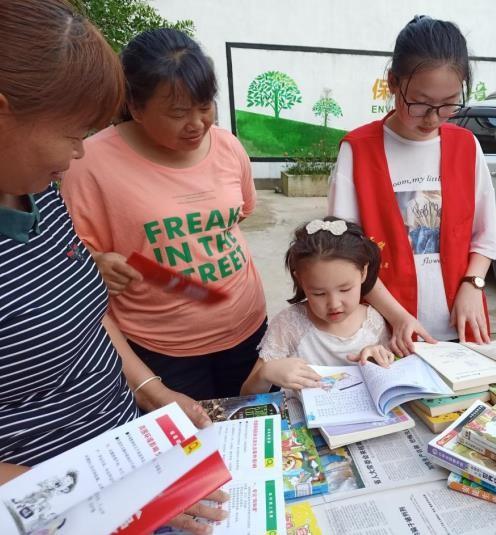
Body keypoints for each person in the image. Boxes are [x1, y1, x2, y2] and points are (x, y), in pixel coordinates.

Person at [0, 2, 224, 532]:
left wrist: (152, 391)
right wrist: (101, 500)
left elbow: (89, 319)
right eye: (73, 132)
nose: (80, 153)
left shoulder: (39, 195)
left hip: (130, 458)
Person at [62, 28, 267, 401]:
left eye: (205, 106)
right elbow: (66, 258)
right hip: (163, 350)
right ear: (136, 107)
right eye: (177, 112)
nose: (197, 124)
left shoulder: (227, 147)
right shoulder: (88, 164)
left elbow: (237, 216)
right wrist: (95, 262)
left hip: (247, 327)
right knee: (191, 450)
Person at [328, 15, 496, 355]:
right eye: (420, 103)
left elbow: (484, 236)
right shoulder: (358, 150)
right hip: (384, 332)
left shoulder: (465, 147)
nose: (433, 118)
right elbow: (346, 257)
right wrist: (399, 317)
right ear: (394, 82)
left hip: (461, 326)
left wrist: (473, 284)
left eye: (449, 103)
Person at [240, 217, 395, 394]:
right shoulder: (289, 325)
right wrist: (265, 374)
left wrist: (378, 360)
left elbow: (391, 380)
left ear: (363, 272)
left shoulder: (372, 321)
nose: (334, 304)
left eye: (345, 289)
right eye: (319, 293)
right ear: (301, 280)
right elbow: (247, 395)